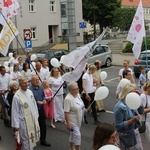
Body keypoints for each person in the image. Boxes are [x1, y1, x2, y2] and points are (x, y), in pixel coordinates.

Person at [11, 77, 40, 150]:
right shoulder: (17, 96)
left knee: (32, 140)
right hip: (24, 122)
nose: (26, 84)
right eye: (24, 83)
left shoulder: (30, 92)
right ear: (20, 84)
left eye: (27, 82)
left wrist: (36, 115)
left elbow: (34, 105)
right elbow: (15, 111)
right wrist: (16, 125)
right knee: (26, 142)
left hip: (32, 120)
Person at [114, 83, 143, 150]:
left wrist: (139, 100)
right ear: (127, 93)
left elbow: (141, 111)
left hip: (134, 132)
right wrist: (131, 121)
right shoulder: (120, 107)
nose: (135, 94)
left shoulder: (133, 101)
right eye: (133, 92)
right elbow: (118, 125)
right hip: (126, 135)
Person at [29, 75, 51, 147]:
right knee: (33, 125)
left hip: (41, 109)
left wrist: (44, 100)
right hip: (33, 110)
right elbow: (29, 100)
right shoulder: (30, 90)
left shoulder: (41, 88)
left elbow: (43, 95)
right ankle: (33, 140)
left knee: (43, 125)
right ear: (31, 81)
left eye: (38, 79)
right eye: (35, 80)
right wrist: (37, 102)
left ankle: (43, 140)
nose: (37, 81)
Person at [64, 82, 85, 150]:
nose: (78, 89)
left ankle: (71, 147)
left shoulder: (77, 95)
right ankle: (78, 148)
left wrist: (84, 108)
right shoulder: (68, 99)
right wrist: (68, 124)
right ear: (71, 90)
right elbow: (66, 112)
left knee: (73, 134)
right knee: (77, 135)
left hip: (78, 119)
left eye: (78, 88)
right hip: (72, 120)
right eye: (76, 88)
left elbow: (80, 104)